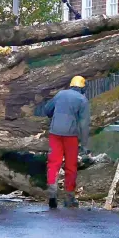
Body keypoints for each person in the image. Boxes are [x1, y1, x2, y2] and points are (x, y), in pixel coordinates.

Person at [43, 75, 91, 209]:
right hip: (71, 136)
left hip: (55, 133)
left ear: (71, 85)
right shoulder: (83, 100)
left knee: (53, 163)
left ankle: (52, 194)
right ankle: (69, 198)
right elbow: (84, 124)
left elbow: (47, 110)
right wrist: (85, 145)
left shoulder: (60, 94)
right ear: (82, 88)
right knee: (71, 166)